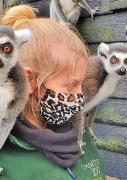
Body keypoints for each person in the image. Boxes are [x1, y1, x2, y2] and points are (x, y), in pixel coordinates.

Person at [0, 5, 105, 180]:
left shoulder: (79, 132)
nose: (80, 96)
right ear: (29, 80)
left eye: (81, 84)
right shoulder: (8, 166)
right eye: (71, 86)